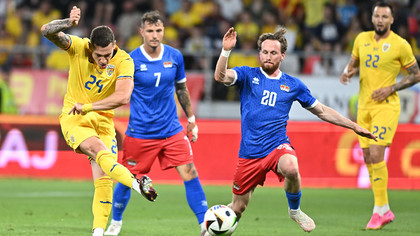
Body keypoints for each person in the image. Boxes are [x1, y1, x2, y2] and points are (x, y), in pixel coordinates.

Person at [213, 26, 377, 233]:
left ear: (282, 56)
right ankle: (211, 225)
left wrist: (353, 126)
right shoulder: (247, 74)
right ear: (259, 54)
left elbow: (322, 111)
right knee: (237, 209)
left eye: (273, 53)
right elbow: (220, 76)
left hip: (276, 147)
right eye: (265, 52)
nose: (268, 56)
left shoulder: (292, 85)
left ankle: (295, 210)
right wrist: (226, 51)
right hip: (249, 154)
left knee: (291, 167)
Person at [40, 6, 158, 236]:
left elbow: (123, 97)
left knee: (104, 183)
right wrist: (68, 23)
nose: (103, 60)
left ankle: (97, 232)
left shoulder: (124, 61)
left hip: (103, 122)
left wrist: (89, 106)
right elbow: (46, 30)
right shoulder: (79, 48)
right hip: (75, 118)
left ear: (114, 46)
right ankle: (136, 183)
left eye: (107, 54)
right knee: (97, 151)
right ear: (90, 48)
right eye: (98, 55)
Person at [104, 11, 208, 236]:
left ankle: (205, 225)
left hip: (171, 130)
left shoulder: (175, 56)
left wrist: (191, 120)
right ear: (141, 32)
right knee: (126, 179)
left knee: (190, 171)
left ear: (164, 31)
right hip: (140, 133)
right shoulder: (130, 60)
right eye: (150, 31)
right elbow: (119, 91)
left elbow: (181, 88)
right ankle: (116, 221)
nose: (154, 35)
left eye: (158, 30)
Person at [339, 1, 420, 230]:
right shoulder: (361, 39)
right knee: (367, 157)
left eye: (385, 16)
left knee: (376, 153)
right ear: (372, 18)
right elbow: (354, 62)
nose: (380, 20)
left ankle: (378, 211)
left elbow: (416, 75)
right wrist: (348, 71)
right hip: (364, 107)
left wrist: (391, 88)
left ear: (392, 20)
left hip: (386, 106)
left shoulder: (400, 45)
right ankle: (383, 209)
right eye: (377, 16)